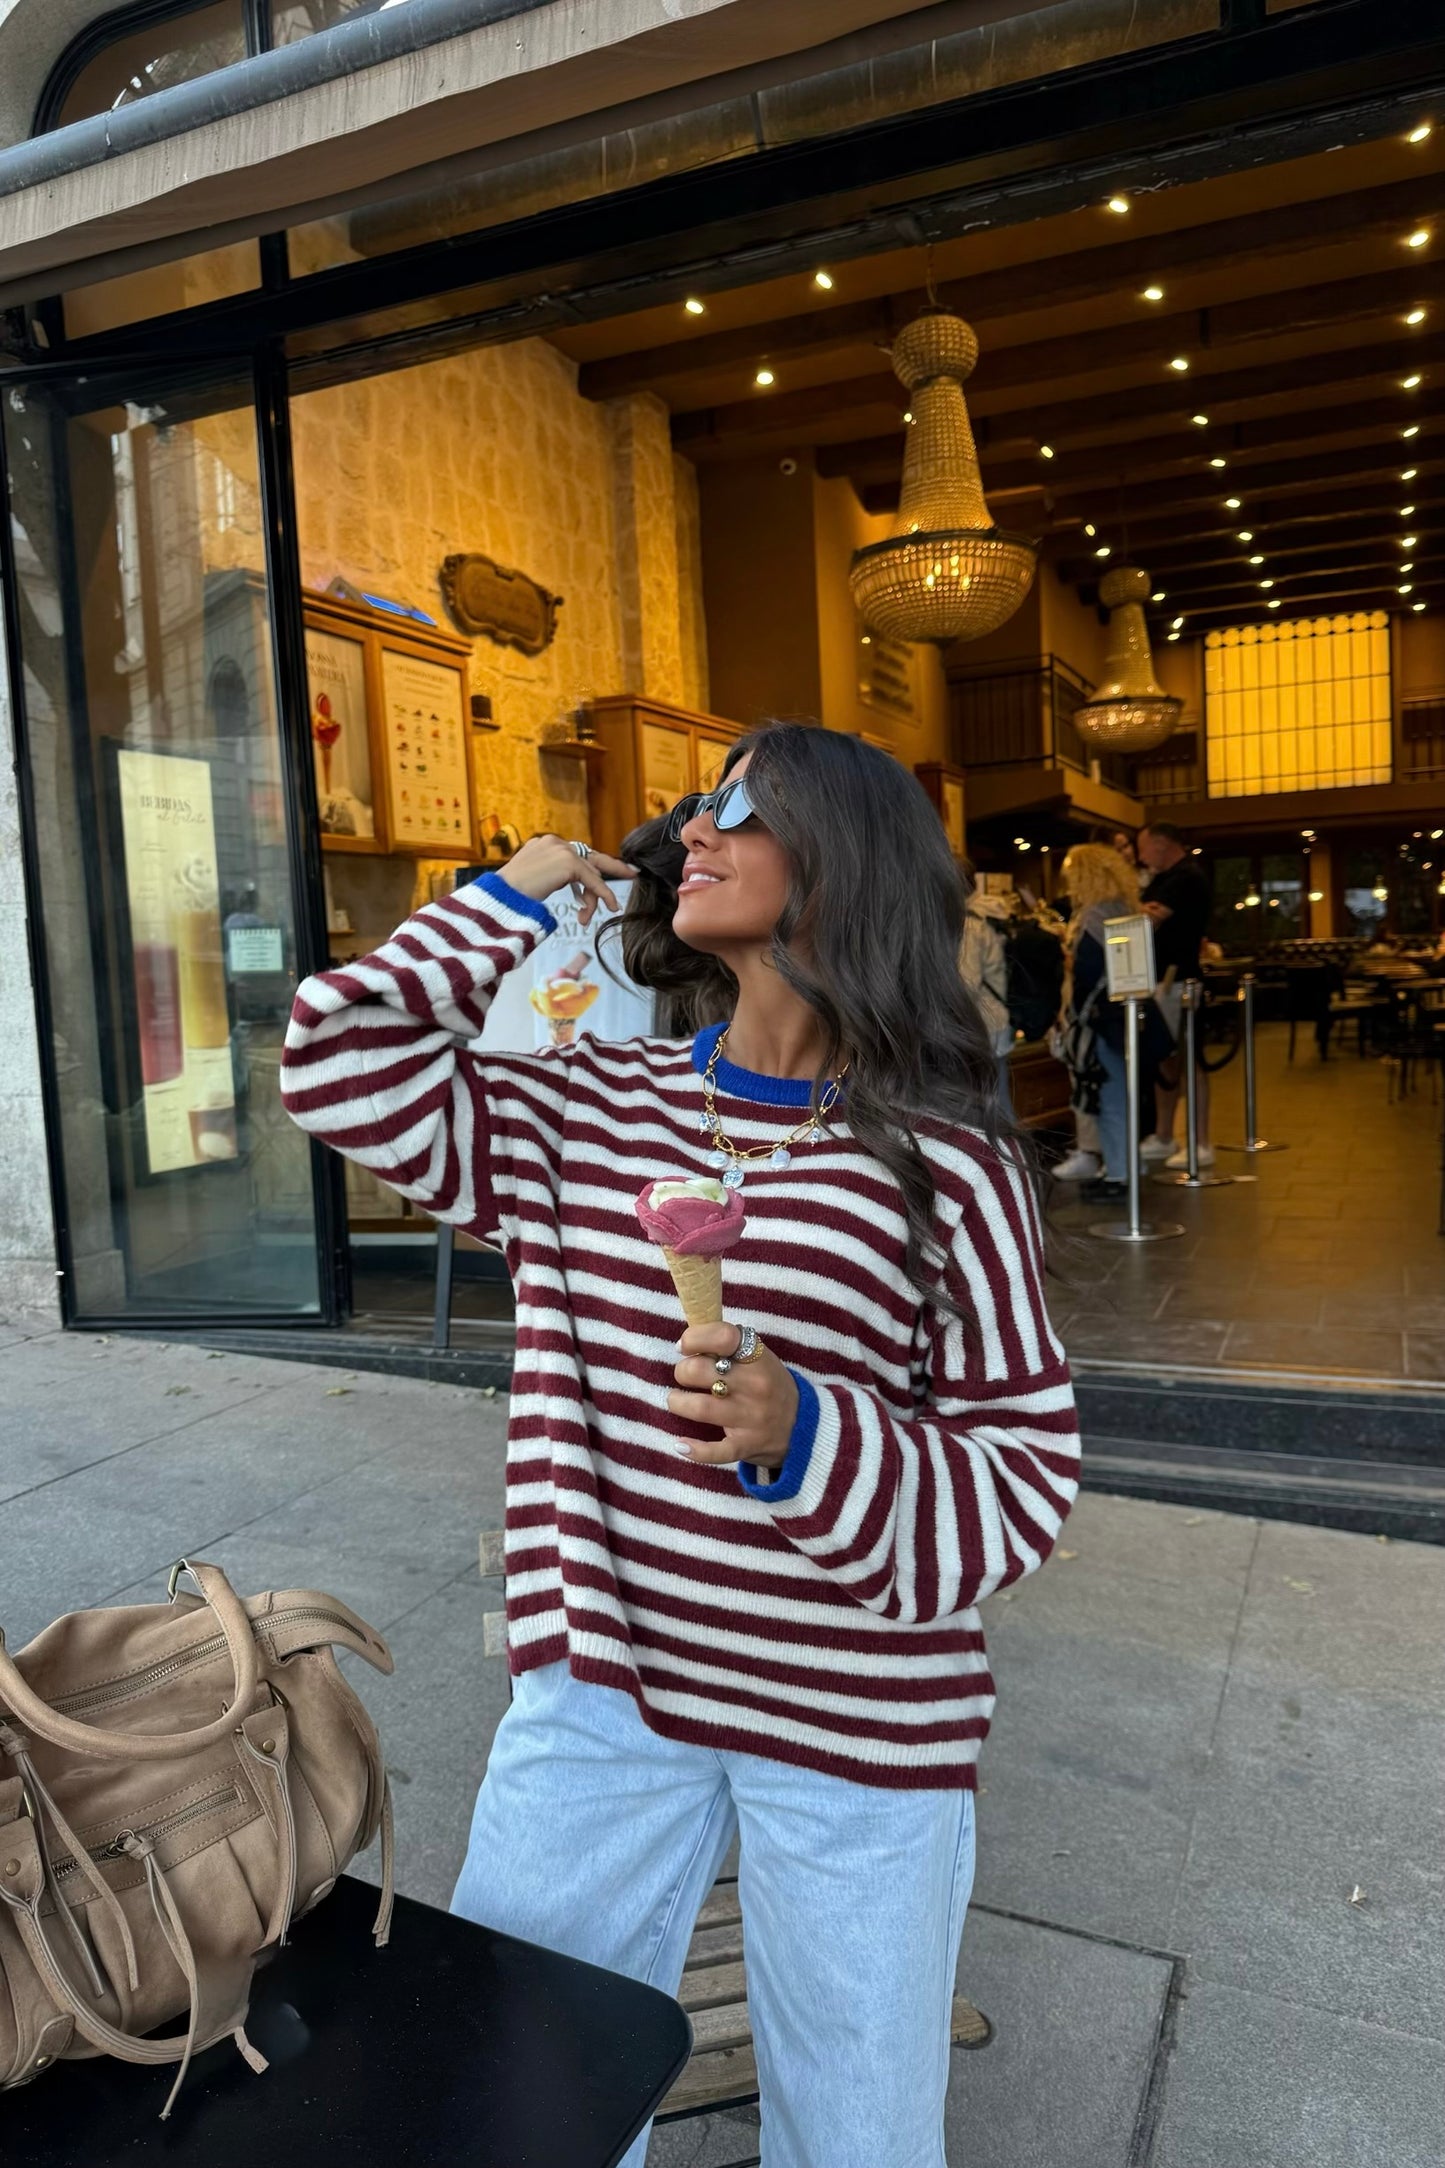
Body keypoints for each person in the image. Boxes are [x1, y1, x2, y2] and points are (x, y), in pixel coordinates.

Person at [281, 724, 1079, 2168]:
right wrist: (512, 894)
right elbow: (337, 1059)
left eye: (739, 806)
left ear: (839, 858)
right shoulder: (587, 1106)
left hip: (861, 1725)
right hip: (607, 1694)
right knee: (518, 2093)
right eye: (693, 809)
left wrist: (806, 1431)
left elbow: (1020, 1476)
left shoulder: (949, 1161)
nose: (694, 831)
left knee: (857, 2131)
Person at [1059, 842, 1164, 1202]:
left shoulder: (1093, 916)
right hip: (1124, 1016)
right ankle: (1125, 1165)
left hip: (1102, 1020)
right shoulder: (1124, 909)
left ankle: (1120, 1174)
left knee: (1109, 1098)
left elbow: (1088, 971)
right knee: (1121, 1095)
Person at [1136, 822, 1214, 1168]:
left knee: (1189, 1061)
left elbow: (1149, 918)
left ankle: (1201, 1141)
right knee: (1163, 1059)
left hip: (1179, 980)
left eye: (1144, 847)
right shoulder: (1162, 879)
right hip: (1157, 979)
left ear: (1162, 843)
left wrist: (1127, 905)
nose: (1141, 856)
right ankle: (1164, 1134)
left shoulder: (1187, 877)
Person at [958, 874, 1016, 1106]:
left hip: (982, 1024)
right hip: (997, 1019)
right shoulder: (988, 915)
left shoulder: (968, 925)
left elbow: (967, 983)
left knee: (990, 1104)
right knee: (998, 1097)